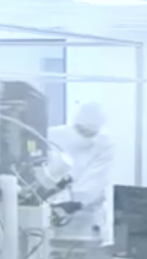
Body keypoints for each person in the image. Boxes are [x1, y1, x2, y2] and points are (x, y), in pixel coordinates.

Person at [48, 102, 117, 245]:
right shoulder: (53, 136)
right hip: (51, 214)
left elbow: (95, 181)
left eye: (90, 133)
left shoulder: (104, 145)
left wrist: (75, 202)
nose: (85, 136)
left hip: (85, 218)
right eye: (81, 131)